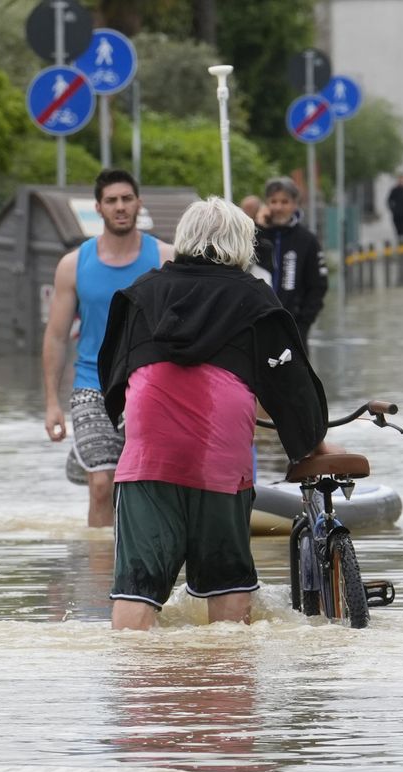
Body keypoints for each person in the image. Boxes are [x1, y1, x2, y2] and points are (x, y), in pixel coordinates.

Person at [96, 197, 329, 631]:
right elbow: (291, 387)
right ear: (243, 244)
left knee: (137, 587)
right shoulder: (256, 299)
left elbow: (113, 374)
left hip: (149, 455)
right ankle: (227, 687)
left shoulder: (140, 293)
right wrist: (311, 443)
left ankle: (130, 685)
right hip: (220, 457)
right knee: (227, 581)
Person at [42, 170, 175, 528]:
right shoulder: (74, 265)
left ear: (139, 204)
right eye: (112, 201)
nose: (120, 207)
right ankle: (99, 578)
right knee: (101, 484)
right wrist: (52, 403)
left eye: (127, 199)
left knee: (144, 485)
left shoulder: (165, 258)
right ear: (98, 208)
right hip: (92, 384)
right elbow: (55, 336)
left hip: (150, 385)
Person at [255, 177, 328, 344]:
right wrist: (259, 229)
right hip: (257, 327)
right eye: (273, 201)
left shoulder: (307, 240)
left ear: (295, 204)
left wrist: (303, 323)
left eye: (284, 201)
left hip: (293, 330)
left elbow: (318, 286)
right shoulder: (254, 235)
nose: (278, 207)